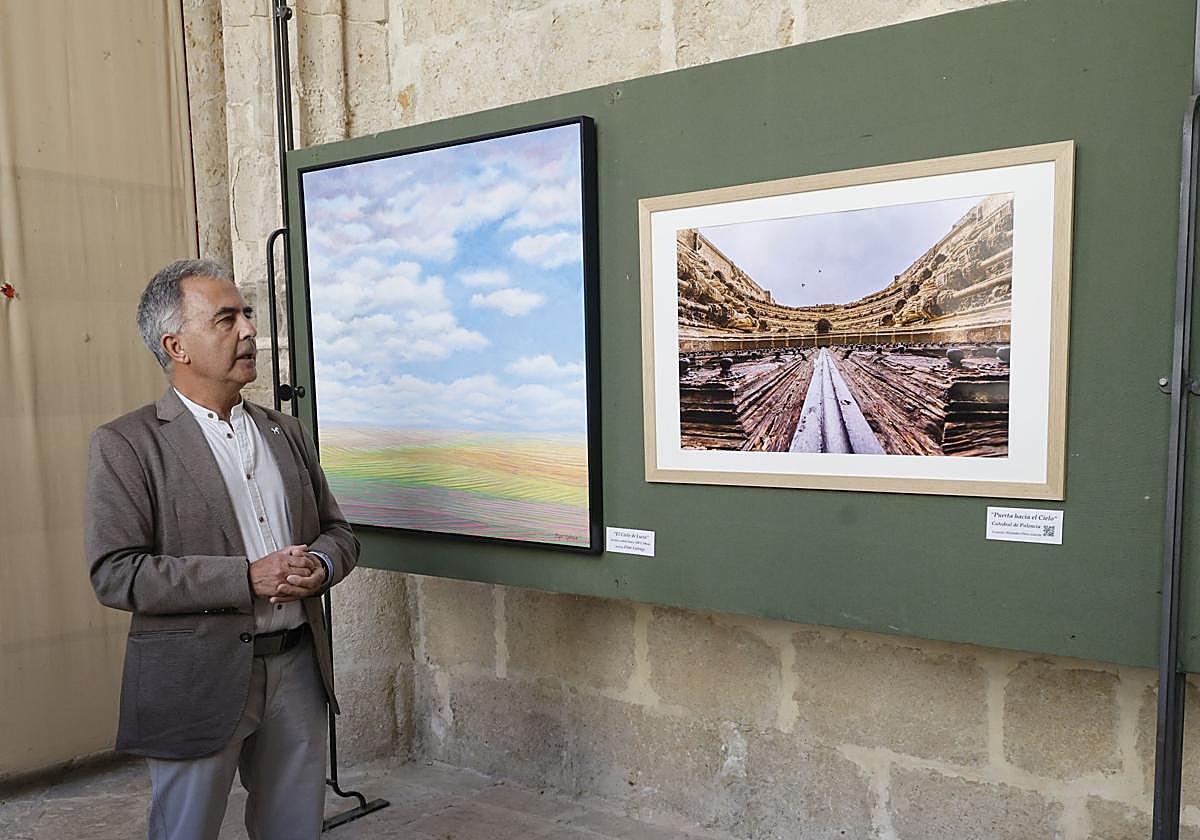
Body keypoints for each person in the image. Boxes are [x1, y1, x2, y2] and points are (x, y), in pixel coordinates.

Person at [85, 258, 359, 840]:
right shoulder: (127, 444)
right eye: (226, 319)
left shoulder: (287, 432)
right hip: (195, 679)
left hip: (297, 667)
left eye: (248, 315)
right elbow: (115, 573)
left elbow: (339, 532)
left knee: (294, 829)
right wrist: (246, 578)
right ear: (176, 345)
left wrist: (321, 563)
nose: (250, 332)